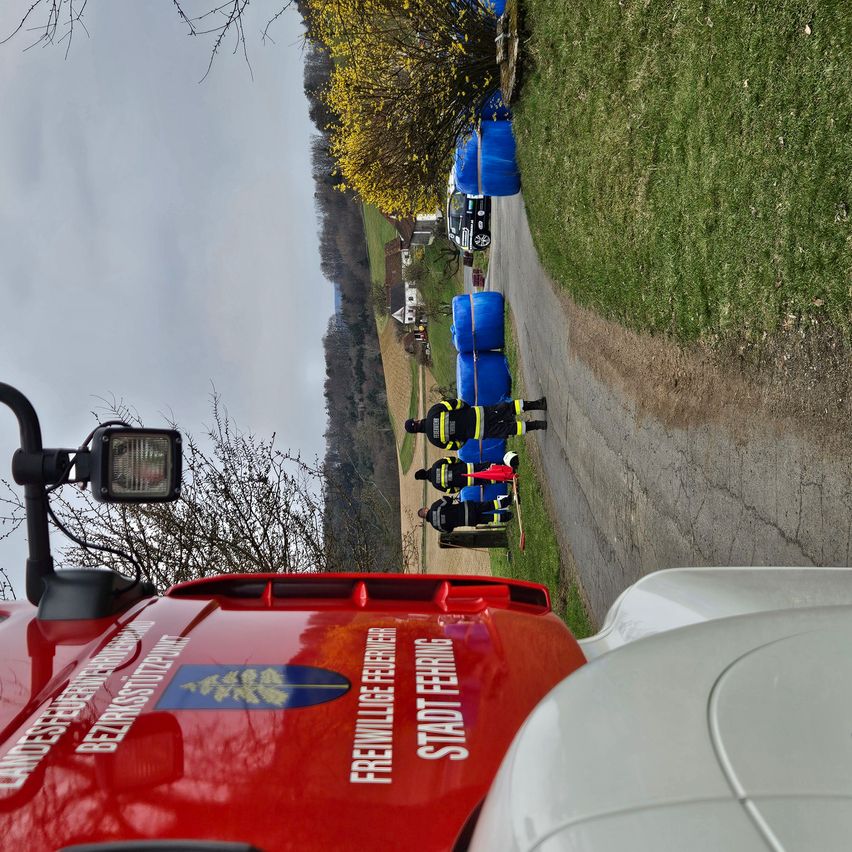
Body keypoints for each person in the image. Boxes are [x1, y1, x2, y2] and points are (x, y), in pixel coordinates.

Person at [404, 398, 547, 451]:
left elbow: (457, 446)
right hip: (478, 414)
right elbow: (456, 403)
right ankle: (538, 404)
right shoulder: (433, 412)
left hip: (479, 432)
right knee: (507, 409)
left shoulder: (434, 440)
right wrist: (467, 409)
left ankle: (538, 425)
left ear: (416, 432)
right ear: (416, 420)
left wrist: (465, 435)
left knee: (508, 429)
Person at [414, 451, 519, 493]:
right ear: (424, 470)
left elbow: (452, 491)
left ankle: (508, 480)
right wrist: (461, 464)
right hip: (467, 468)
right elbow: (452, 459)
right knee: (487, 466)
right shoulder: (436, 465)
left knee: (489, 479)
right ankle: (507, 468)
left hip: (469, 481)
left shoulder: (436, 485)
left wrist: (461, 485)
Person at [418, 494, 512, 533]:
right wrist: (450, 498)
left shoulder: (436, 527)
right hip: (467, 508)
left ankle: (507, 517)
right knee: (489, 505)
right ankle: (506, 501)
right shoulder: (434, 506)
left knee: (490, 518)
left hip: (468, 520)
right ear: (426, 510)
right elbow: (447, 500)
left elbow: (449, 530)